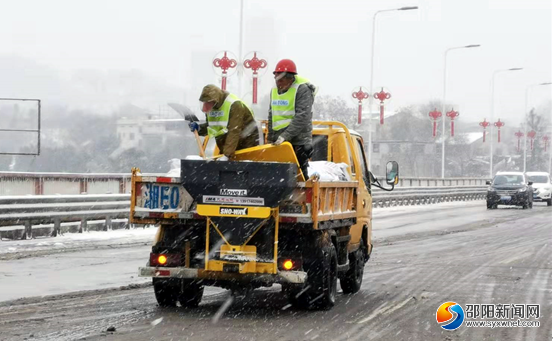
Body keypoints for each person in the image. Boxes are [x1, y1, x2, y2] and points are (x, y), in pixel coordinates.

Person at [267, 59, 317, 179]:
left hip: (298, 141)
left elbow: (302, 116)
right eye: (277, 79)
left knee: (299, 176)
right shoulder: (274, 90)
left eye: (282, 80)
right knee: (276, 175)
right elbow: (271, 115)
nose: (279, 83)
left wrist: (285, 136)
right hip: (279, 140)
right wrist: (270, 138)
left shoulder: (302, 89)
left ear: (291, 78)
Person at [190, 84, 259, 160]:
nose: (205, 107)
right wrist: (199, 128)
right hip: (229, 146)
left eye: (207, 103)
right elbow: (213, 127)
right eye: (204, 103)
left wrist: (227, 155)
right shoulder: (211, 108)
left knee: (242, 168)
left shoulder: (234, 105)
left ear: (215, 101)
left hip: (246, 143)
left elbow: (234, 131)